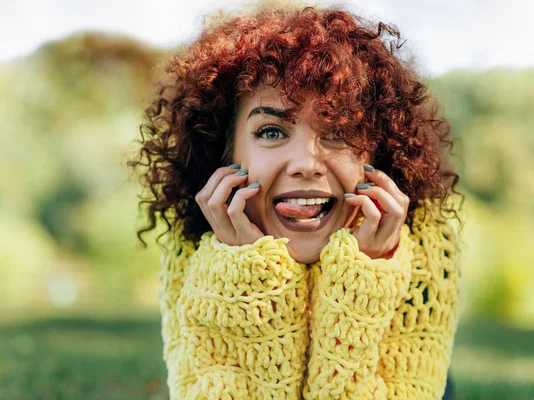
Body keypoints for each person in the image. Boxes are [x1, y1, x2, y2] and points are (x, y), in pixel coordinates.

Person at [129, 3, 465, 399]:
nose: (306, 164)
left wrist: (366, 281)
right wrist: (247, 284)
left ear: (378, 156)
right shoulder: (193, 257)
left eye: (338, 131)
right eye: (271, 132)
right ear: (225, 155)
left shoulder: (423, 257)